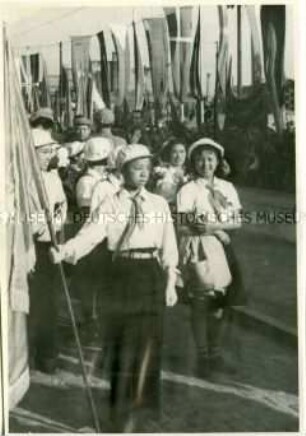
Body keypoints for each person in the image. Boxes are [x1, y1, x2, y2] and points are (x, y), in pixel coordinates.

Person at [50, 144, 178, 431]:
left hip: (151, 275)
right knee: (124, 347)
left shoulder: (158, 204)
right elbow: (90, 235)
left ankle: (144, 410)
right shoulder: (111, 204)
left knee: (149, 345)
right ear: (122, 171)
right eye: (136, 167)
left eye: (146, 166)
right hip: (121, 274)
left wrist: (171, 281)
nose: (143, 172)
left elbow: (169, 245)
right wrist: (65, 251)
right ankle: (121, 414)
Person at [176, 137, 242, 379]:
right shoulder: (188, 190)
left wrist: (214, 228)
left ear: (218, 161)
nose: (206, 164)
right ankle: (202, 356)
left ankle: (214, 353)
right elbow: (182, 225)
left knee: (220, 307)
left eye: (210, 159)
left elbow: (237, 220)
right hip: (200, 250)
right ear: (193, 162)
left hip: (223, 251)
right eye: (200, 159)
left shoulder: (227, 188)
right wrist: (210, 230)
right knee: (201, 304)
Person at [28, 128, 67, 380]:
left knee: (50, 302)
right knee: (30, 302)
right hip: (27, 245)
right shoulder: (21, 180)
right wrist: (39, 223)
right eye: (44, 152)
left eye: (51, 152)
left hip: (48, 245)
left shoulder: (52, 178)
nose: (48, 157)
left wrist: (56, 221)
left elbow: (63, 204)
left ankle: (47, 355)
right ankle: (26, 355)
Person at [152, 137, 189, 208]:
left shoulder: (190, 174)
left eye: (182, 151)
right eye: (174, 152)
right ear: (169, 154)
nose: (178, 156)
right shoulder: (161, 171)